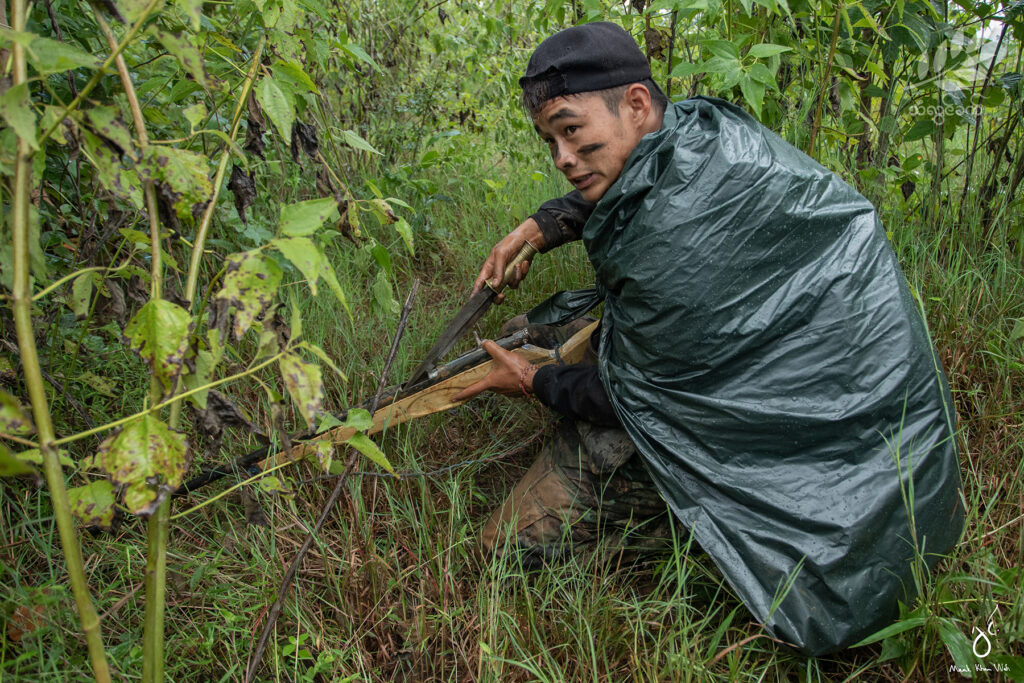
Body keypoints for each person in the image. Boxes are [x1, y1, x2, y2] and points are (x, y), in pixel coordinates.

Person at [453, 22, 963, 656]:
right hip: (862, 416)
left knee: (503, 548)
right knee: (538, 329)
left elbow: (627, 400)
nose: (561, 156)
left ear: (635, 102)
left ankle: (680, 526)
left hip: (817, 464)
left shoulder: (672, 246)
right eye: (549, 140)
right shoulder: (703, 133)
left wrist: (531, 381)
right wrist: (537, 227)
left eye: (572, 129)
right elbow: (631, 192)